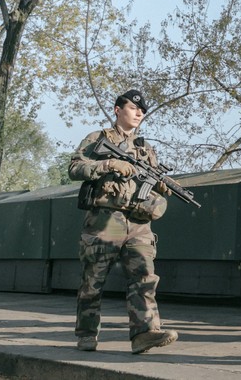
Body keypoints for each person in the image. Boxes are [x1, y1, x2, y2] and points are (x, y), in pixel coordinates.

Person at [68, 89, 178, 354]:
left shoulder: (145, 148)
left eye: (142, 111)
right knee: (94, 281)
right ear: (117, 110)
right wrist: (108, 165)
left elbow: (148, 183)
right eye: (133, 108)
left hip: (138, 222)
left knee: (144, 278)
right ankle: (86, 333)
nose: (139, 113)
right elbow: (74, 168)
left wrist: (162, 187)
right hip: (107, 220)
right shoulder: (98, 139)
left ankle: (144, 333)